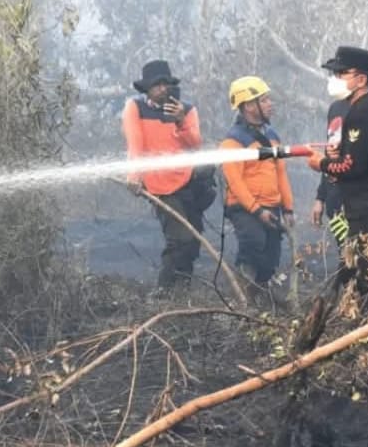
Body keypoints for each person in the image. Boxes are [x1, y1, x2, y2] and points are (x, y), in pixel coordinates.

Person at [121, 60, 209, 292]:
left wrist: (180, 120)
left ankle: (182, 289)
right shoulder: (136, 108)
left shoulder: (187, 110)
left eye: (165, 84)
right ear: (146, 89)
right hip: (158, 183)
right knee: (179, 238)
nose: (162, 89)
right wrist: (134, 175)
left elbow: (195, 145)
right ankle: (164, 291)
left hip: (188, 181)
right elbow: (135, 144)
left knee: (193, 240)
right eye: (156, 85)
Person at [306, 46, 368, 247]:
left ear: (361, 80)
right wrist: (323, 194)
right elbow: (346, 153)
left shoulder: (365, 111)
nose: (335, 78)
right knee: (352, 266)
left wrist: (321, 163)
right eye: (334, 73)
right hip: (358, 204)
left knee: (367, 271)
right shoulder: (358, 106)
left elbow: (352, 166)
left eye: (342, 73)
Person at [219, 76, 295, 302]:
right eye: (264, 100)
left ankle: (263, 297)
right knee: (253, 243)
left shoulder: (272, 137)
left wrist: (288, 208)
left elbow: (281, 173)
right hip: (244, 208)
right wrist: (256, 210)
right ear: (249, 106)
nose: (270, 104)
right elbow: (236, 183)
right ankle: (243, 296)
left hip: (273, 205)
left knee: (272, 254)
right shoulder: (233, 142)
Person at [311, 98, 351, 244]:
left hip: (357, 199)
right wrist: (320, 198)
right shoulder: (335, 108)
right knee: (344, 249)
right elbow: (329, 156)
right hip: (334, 201)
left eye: (341, 74)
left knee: (360, 253)